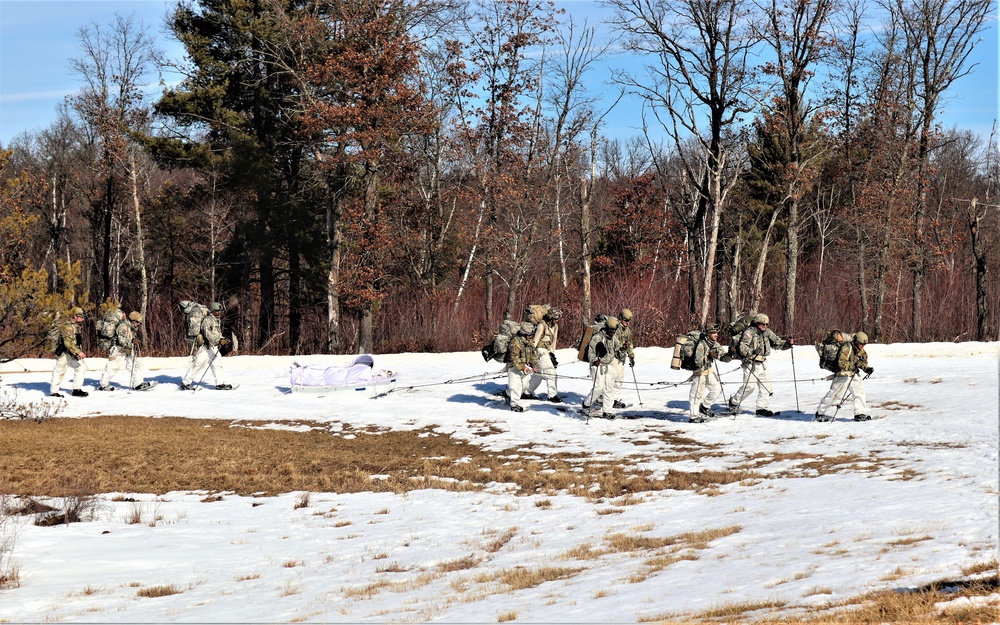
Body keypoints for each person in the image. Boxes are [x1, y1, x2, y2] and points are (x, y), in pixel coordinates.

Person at [727, 312, 792, 416]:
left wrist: (788, 344)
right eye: (762, 324)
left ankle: (761, 408)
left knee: (767, 387)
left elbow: (777, 343)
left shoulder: (767, 332)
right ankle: (733, 402)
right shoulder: (749, 332)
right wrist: (753, 351)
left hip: (763, 363)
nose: (764, 326)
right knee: (749, 387)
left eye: (766, 324)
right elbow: (742, 348)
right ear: (757, 323)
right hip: (751, 364)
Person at [815, 331, 874, 422]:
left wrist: (867, 369)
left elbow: (862, 362)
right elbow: (841, 363)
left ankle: (859, 413)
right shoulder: (846, 348)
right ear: (856, 341)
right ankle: (820, 413)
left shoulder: (861, 350)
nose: (862, 346)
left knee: (859, 391)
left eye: (864, 344)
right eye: (861, 343)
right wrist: (853, 366)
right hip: (842, 374)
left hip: (853, 373)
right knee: (834, 394)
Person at [181, 302, 233, 390]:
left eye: (220, 311)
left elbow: (216, 333)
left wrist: (222, 339)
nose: (219, 312)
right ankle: (186, 383)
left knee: (217, 364)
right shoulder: (207, 321)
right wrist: (219, 340)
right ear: (212, 311)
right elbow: (208, 334)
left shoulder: (216, 320)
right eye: (217, 311)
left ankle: (220, 384)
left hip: (213, 347)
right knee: (198, 365)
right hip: (205, 347)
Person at [98, 311, 152, 391]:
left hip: (128, 349)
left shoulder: (131, 328)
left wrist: (132, 342)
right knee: (113, 367)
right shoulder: (123, 327)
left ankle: (138, 383)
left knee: (134, 365)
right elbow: (121, 340)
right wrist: (131, 341)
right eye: (138, 322)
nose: (139, 324)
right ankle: (103, 385)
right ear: (133, 321)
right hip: (118, 350)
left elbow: (129, 338)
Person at [584, 316, 620, 419]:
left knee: (609, 388)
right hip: (597, 365)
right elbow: (590, 352)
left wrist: (623, 348)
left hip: (608, 364)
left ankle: (607, 411)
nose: (613, 331)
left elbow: (617, 347)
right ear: (607, 327)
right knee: (599, 388)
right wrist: (594, 360)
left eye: (615, 329)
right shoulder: (598, 337)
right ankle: (586, 404)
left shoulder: (613, 338)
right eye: (611, 329)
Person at [49, 307, 88, 398]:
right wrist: (79, 352)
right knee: (59, 371)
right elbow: (67, 343)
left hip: (72, 353)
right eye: (80, 317)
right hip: (64, 353)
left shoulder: (75, 326)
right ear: (75, 316)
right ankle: (53, 392)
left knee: (81, 368)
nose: (82, 319)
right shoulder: (67, 327)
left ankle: (77, 389)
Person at [689, 324, 724, 422]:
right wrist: (709, 356)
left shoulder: (714, 344)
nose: (716, 335)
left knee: (717, 389)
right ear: (708, 333)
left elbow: (723, 357)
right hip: (699, 373)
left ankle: (704, 407)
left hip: (709, 371)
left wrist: (730, 354)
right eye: (713, 333)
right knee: (696, 395)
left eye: (716, 333)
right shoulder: (701, 344)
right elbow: (697, 361)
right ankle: (693, 417)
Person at [526, 307, 562, 402]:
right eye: (555, 319)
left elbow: (554, 341)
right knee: (551, 373)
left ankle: (526, 392)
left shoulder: (555, 326)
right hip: (540, 352)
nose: (557, 321)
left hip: (547, 352)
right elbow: (535, 341)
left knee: (538, 375)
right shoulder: (541, 326)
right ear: (551, 317)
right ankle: (552, 396)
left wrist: (552, 355)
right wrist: (531, 357)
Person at [505, 321, 538, 412]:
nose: (530, 336)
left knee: (525, 386)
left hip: (525, 368)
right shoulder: (515, 342)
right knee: (516, 386)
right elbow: (514, 358)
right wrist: (523, 367)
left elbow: (533, 354)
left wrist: (534, 365)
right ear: (523, 333)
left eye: (531, 334)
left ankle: (508, 394)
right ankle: (514, 404)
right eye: (528, 334)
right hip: (514, 367)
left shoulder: (529, 342)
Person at [611, 308, 636, 409]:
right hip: (614, 356)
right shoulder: (615, 328)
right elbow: (613, 342)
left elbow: (629, 343)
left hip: (622, 357)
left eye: (628, 321)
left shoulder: (627, 330)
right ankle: (608, 398)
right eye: (625, 320)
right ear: (621, 318)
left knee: (620, 378)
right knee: (614, 376)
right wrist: (622, 346)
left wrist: (631, 355)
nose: (627, 323)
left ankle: (615, 399)